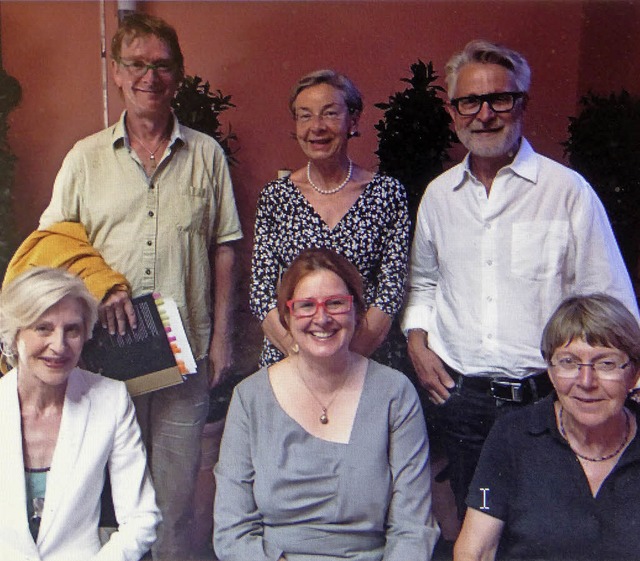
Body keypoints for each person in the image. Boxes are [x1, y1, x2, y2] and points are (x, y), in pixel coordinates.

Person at [402, 39, 639, 521]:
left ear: (521, 104)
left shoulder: (567, 192)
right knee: (479, 524)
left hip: (548, 405)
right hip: (464, 406)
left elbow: (610, 302)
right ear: (453, 111)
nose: (484, 114)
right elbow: (423, 284)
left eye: (499, 99)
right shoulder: (440, 196)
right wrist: (417, 342)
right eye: (469, 101)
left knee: (546, 530)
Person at [38, 13, 242, 559]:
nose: (149, 76)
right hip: (102, 364)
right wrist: (102, 284)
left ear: (177, 75)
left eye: (161, 65)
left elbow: (224, 249)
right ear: (116, 72)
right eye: (136, 64)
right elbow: (51, 243)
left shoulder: (206, 156)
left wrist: (222, 339)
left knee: (174, 506)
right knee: (103, 505)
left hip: (183, 362)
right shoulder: (83, 160)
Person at [215, 248, 439, 561]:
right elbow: (232, 530)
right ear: (287, 316)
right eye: (306, 306)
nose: (322, 318)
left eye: (335, 303)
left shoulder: (394, 393)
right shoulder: (249, 398)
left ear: (356, 311)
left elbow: (413, 528)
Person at [455, 294, 640, 561]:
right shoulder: (511, 436)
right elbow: (475, 550)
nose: (586, 381)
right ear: (550, 372)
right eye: (569, 362)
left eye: (606, 363)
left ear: (633, 373)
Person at [250, 69, 409, 367]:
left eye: (330, 114)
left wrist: (345, 362)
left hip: (366, 358)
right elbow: (261, 290)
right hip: (290, 361)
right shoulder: (275, 196)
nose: (317, 127)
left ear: (354, 120)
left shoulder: (387, 193)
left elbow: (391, 290)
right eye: (305, 116)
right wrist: (302, 357)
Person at [0, 267, 160, 561]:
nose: (59, 346)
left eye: (72, 330)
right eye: (43, 328)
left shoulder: (110, 399)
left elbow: (141, 518)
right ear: (13, 334)